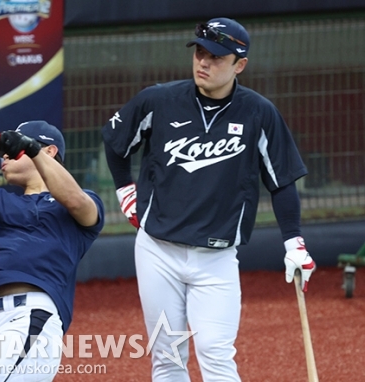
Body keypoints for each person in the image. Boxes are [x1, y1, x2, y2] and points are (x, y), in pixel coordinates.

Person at [101, 18, 316, 382]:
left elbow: (281, 181)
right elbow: (115, 139)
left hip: (216, 259)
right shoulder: (158, 100)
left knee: (216, 354)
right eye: (200, 52)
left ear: (239, 65)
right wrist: (125, 189)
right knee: (167, 358)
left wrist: (294, 242)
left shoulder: (259, 113)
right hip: (157, 250)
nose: (203, 62)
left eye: (216, 57)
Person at [0, 98, 105, 382]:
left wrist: (31, 149)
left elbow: (74, 199)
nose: (5, 157)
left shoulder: (78, 203)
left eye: (13, 151)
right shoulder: (0, 201)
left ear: (49, 150)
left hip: (30, 314)